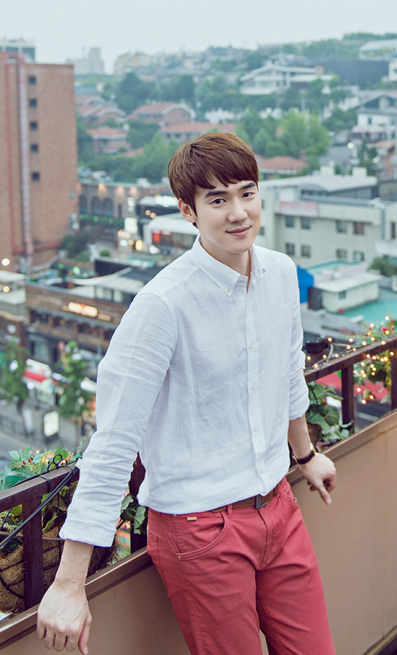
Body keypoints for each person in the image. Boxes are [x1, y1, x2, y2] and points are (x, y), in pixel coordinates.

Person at [36, 132, 337, 655]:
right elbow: (113, 442)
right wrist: (68, 582)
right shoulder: (162, 306)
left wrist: (305, 453)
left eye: (247, 192)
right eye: (217, 200)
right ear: (188, 211)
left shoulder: (281, 273)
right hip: (201, 530)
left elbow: (288, 371)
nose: (238, 212)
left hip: (279, 505)